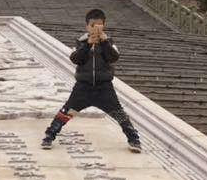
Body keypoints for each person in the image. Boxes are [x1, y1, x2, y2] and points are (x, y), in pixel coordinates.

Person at [40, 8, 141, 152]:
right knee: (66, 111)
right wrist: (88, 44)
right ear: (87, 26)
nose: (96, 29)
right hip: (83, 87)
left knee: (119, 114)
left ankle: (134, 139)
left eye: (99, 25)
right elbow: (75, 59)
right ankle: (49, 136)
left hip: (104, 87)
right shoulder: (81, 42)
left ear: (104, 26)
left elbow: (113, 57)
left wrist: (104, 42)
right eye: (92, 25)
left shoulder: (109, 42)